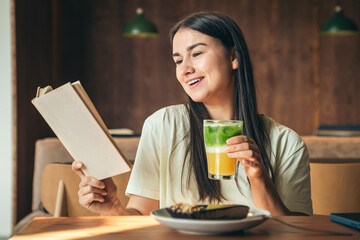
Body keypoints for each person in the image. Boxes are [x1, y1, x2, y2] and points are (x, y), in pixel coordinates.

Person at [72, 12, 312, 216]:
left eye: (196, 54)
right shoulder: (162, 126)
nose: (185, 69)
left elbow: (295, 233)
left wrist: (259, 179)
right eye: (178, 60)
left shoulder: (287, 143)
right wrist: (112, 207)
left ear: (234, 57)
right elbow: (141, 220)